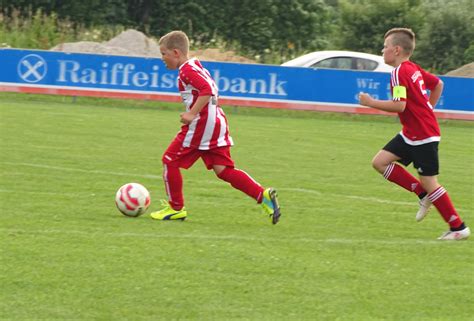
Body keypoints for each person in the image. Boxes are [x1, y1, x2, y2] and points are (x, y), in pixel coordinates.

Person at [150, 30, 281, 224]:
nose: (162, 59)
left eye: (164, 54)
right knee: (224, 170)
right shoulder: (194, 64)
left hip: (202, 124)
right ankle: (263, 196)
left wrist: (191, 113)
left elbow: (208, 90)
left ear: (176, 52)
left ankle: (175, 208)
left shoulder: (186, 70)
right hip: (216, 121)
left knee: (170, 160)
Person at [358, 27, 470, 240]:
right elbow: (438, 84)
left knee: (430, 181)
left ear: (397, 50)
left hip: (423, 135)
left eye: (385, 47)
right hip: (411, 133)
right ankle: (421, 194)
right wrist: (428, 108)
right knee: (380, 162)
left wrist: (371, 103)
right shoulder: (413, 69)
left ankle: (458, 227)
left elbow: (399, 106)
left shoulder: (399, 73)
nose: (383, 51)